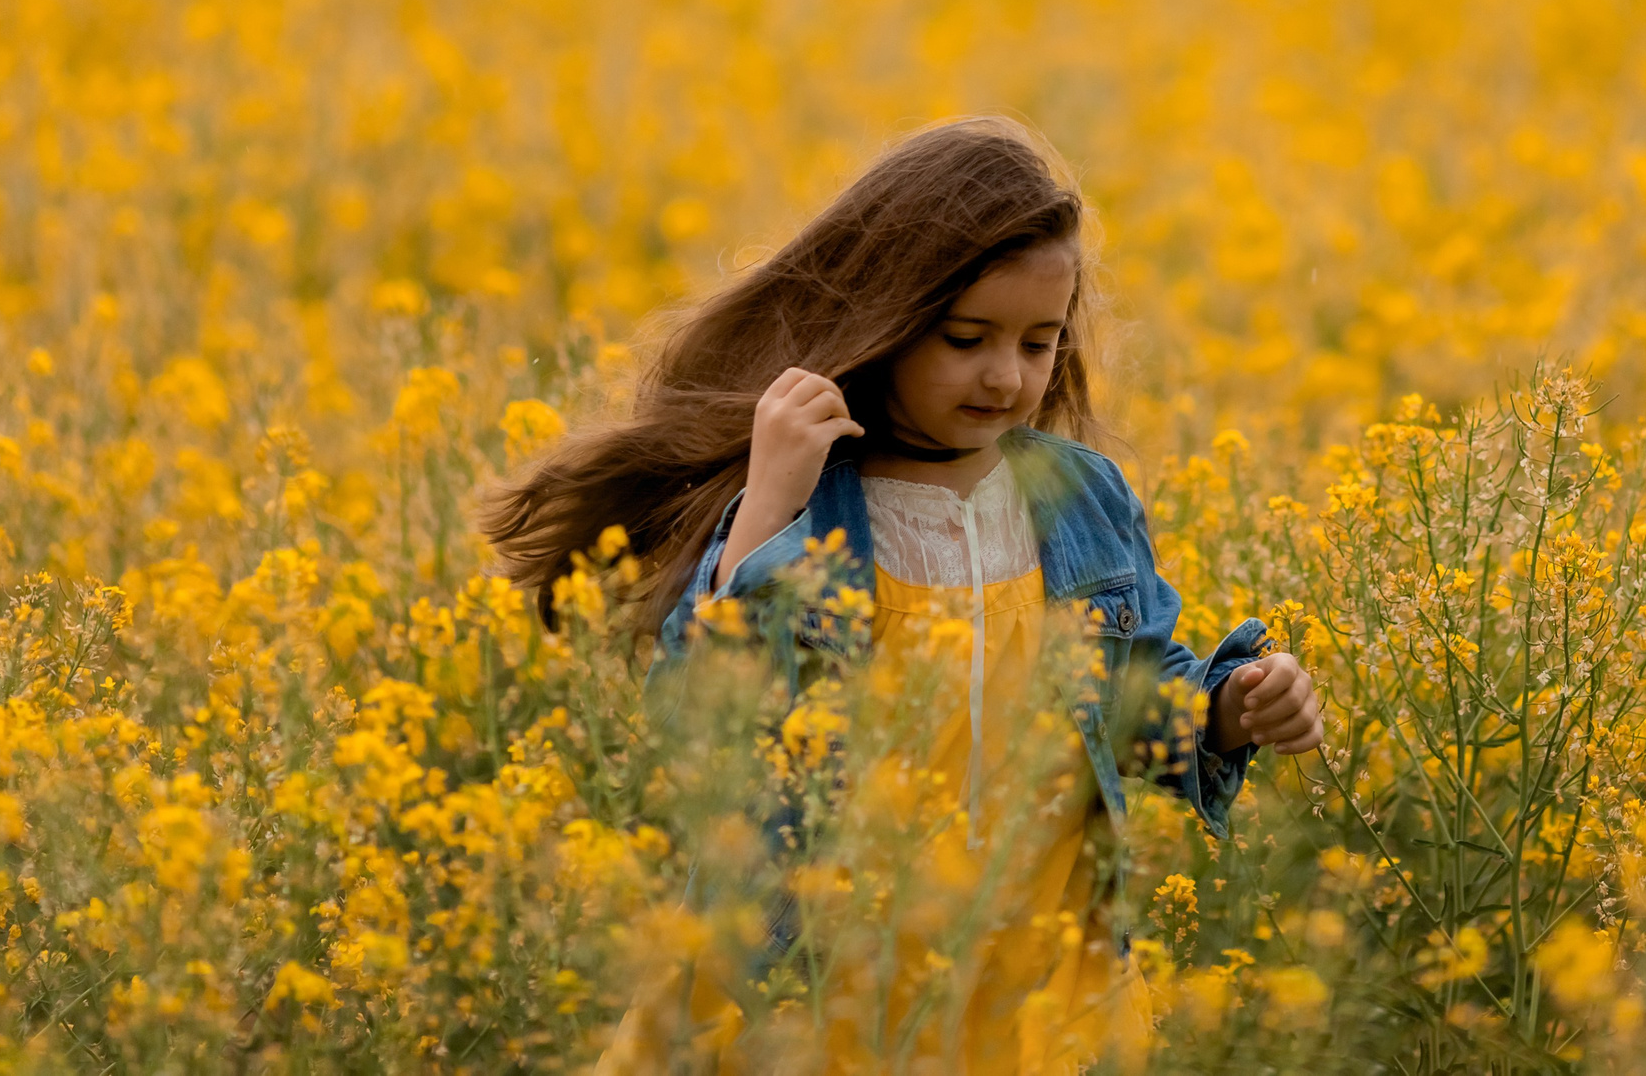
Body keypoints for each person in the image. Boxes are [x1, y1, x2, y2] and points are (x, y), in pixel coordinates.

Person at [484, 117, 1324, 1072]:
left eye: (1038, 343)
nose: (1006, 375)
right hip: (820, 982)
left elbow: (1132, 697)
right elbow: (707, 717)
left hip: (1033, 987)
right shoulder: (815, 501)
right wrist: (766, 505)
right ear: (885, 320)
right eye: (966, 338)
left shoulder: (1078, 496)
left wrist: (1230, 708)